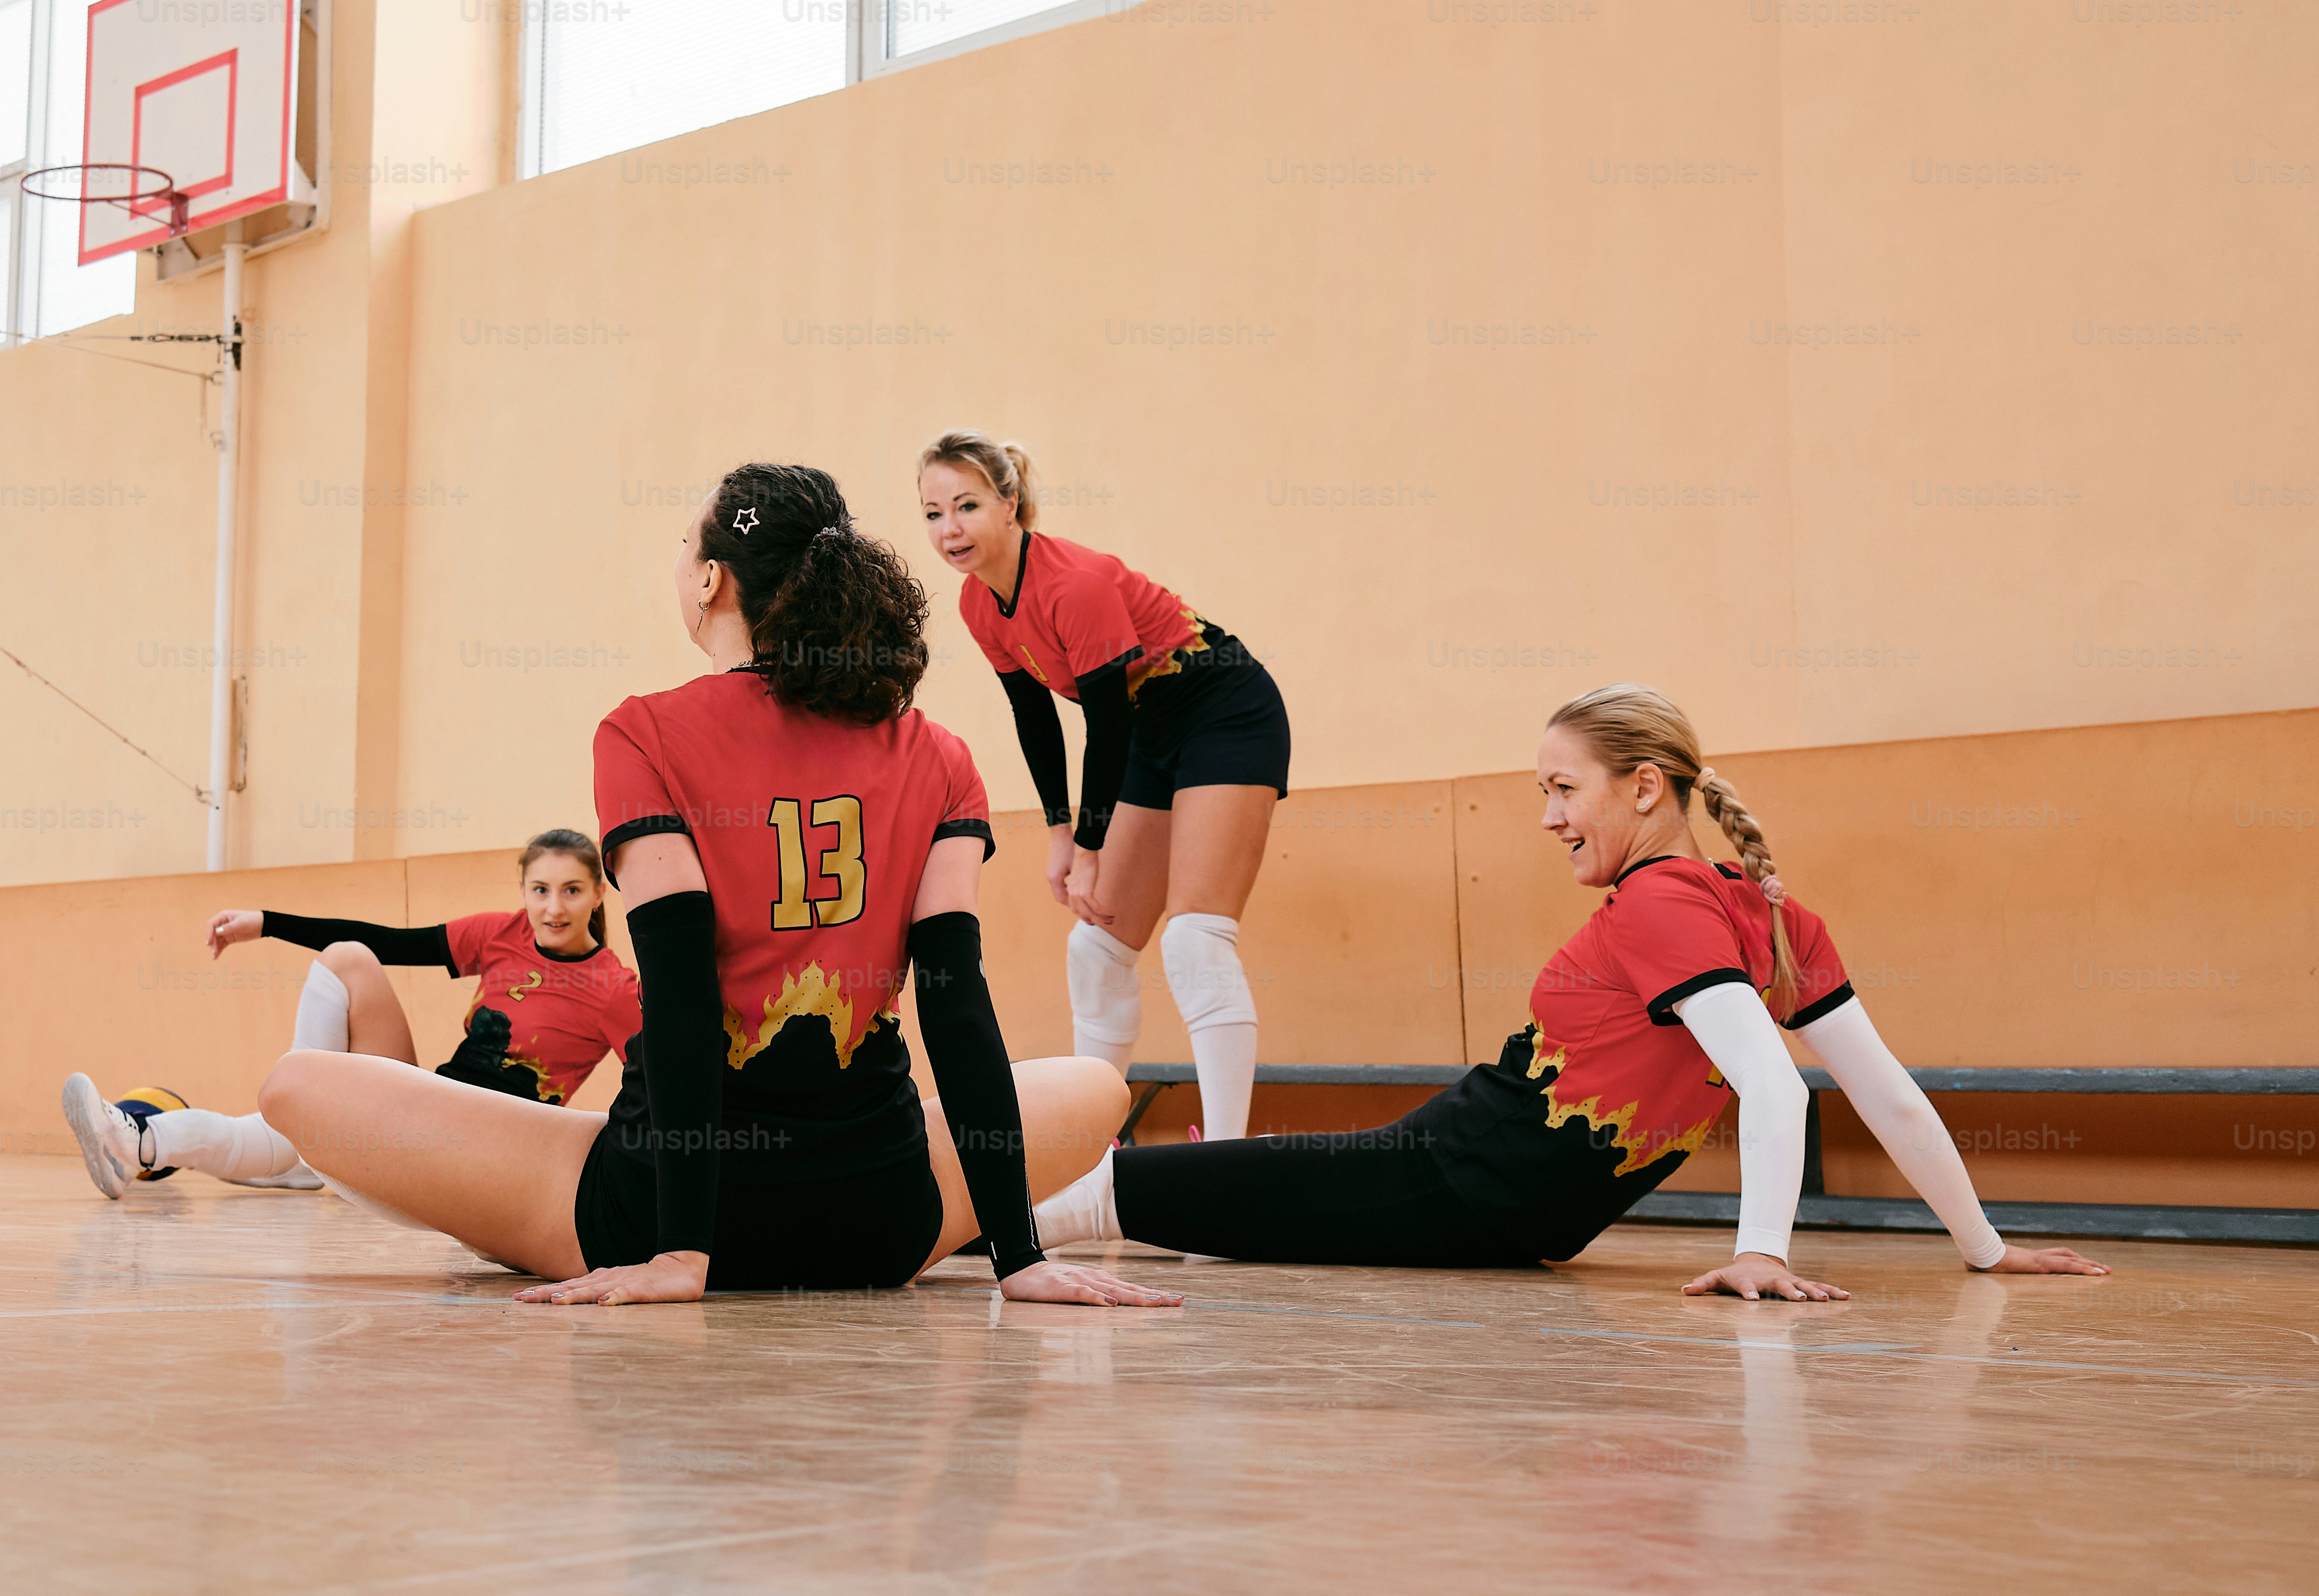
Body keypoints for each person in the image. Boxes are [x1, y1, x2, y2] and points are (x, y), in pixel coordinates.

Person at [255, 461, 1180, 1308]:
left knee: (299, 1085)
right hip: (878, 1219)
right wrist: (1018, 1258)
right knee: (1094, 1085)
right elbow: (956, 1001)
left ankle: (681, 1236)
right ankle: (1040, 1232)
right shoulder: (938, 752)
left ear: (710, 578)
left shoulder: (643, 733)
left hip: (656, 1205)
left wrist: (680, 1254)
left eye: (684, 547)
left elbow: (684, 989)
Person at [1031, 683, 2114, 1297]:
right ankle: (1003, 1234)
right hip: (1475, 1185)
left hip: (1462, 1180)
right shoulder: (1769, 915)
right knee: (1204, 1201)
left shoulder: (1665, 904)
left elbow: (1796, 1093)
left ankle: (997, 1227)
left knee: (1180, 1199)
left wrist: (1762, 1253)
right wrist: (1983, 1245)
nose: (1549, 817)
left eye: (1562, 788)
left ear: (1643, 786)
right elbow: (1886, 1096)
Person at [917, 430, 1291, 1140]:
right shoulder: (977, 604)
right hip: (1150, 728)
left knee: (1193, 941)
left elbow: (1106, 726)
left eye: (965, 505)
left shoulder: (1074, 584)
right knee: (1096, 947)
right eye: (933, 513)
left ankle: (1223, 1158)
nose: (949, 529)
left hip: (1223, 708)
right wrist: (1060, 834)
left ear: (1010, 503)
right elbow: (1034, 718)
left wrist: (1091, 846)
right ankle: (1090, 1151)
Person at [60, 829, 644, 1198]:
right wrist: (266, 922)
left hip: (487, 1148)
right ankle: (147, 1143)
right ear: (522, 891)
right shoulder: (503, 934)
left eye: (571, 890)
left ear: (598, 894)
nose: (553, 906)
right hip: (425, 1104)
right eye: (539, 889)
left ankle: (141, 1138)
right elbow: (390, 940)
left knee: (287, 1139)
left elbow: (655, 1083)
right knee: (348, 959)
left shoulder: (613, 988)